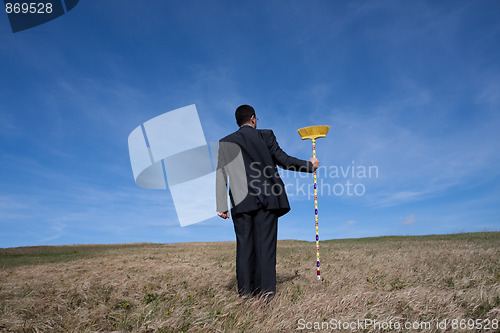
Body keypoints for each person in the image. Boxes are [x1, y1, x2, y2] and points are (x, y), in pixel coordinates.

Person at [216, 105, 319, 298]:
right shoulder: (266, 136)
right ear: (253, 119)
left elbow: (221, 174)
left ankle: (245, 294)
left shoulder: (225, 142)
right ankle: (267, 294)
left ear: (238, 122)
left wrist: (221, 205)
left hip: (240, 202)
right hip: (267, 199)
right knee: (265, 248)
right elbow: (283, 159)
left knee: (244, 248)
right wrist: (309, 166)